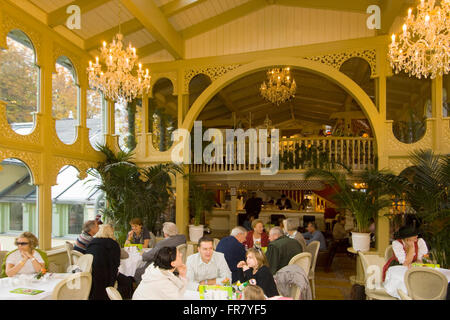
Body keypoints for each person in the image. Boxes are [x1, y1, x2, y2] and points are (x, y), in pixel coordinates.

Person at [86, 224, 121, 300]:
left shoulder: (91, 243)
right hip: (107, 276)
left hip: (92, 275)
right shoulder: (113, 244)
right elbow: (117, 263)